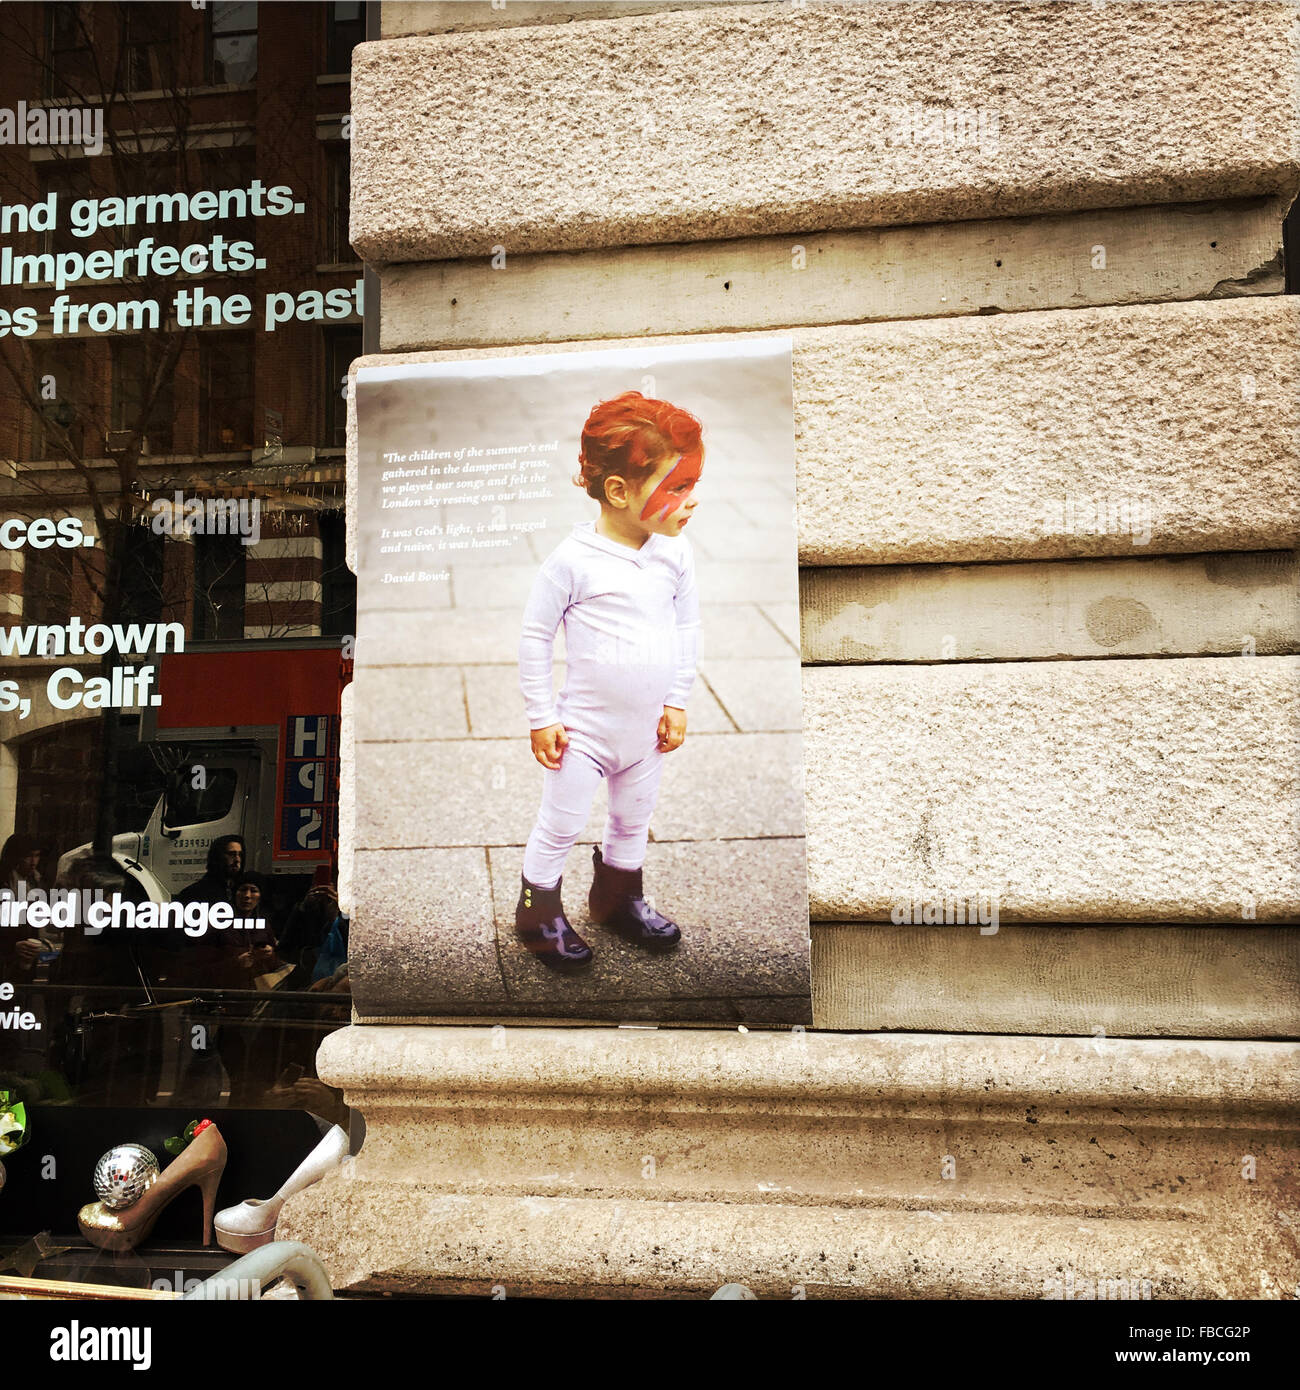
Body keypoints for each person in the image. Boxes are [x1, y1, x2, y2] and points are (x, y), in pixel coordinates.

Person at [515, 389, 702, 972]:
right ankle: (536, 909)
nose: (690, 501)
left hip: (645, 732)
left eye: (692, 485)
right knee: (562, 823)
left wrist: (678, 701)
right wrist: (542, 715)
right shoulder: (572, 562)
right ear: (619, 491)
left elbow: (687, 625)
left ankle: (618, 898)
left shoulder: (675, 554)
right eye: (676, 488)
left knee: (634, 819)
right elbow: (534, 637)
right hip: (585, 733)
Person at [177, 834, 245, 907]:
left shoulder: (243, 891)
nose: (237, 859)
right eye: (231, 854)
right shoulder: (194, 893)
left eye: (240, 855)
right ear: (218, 856)